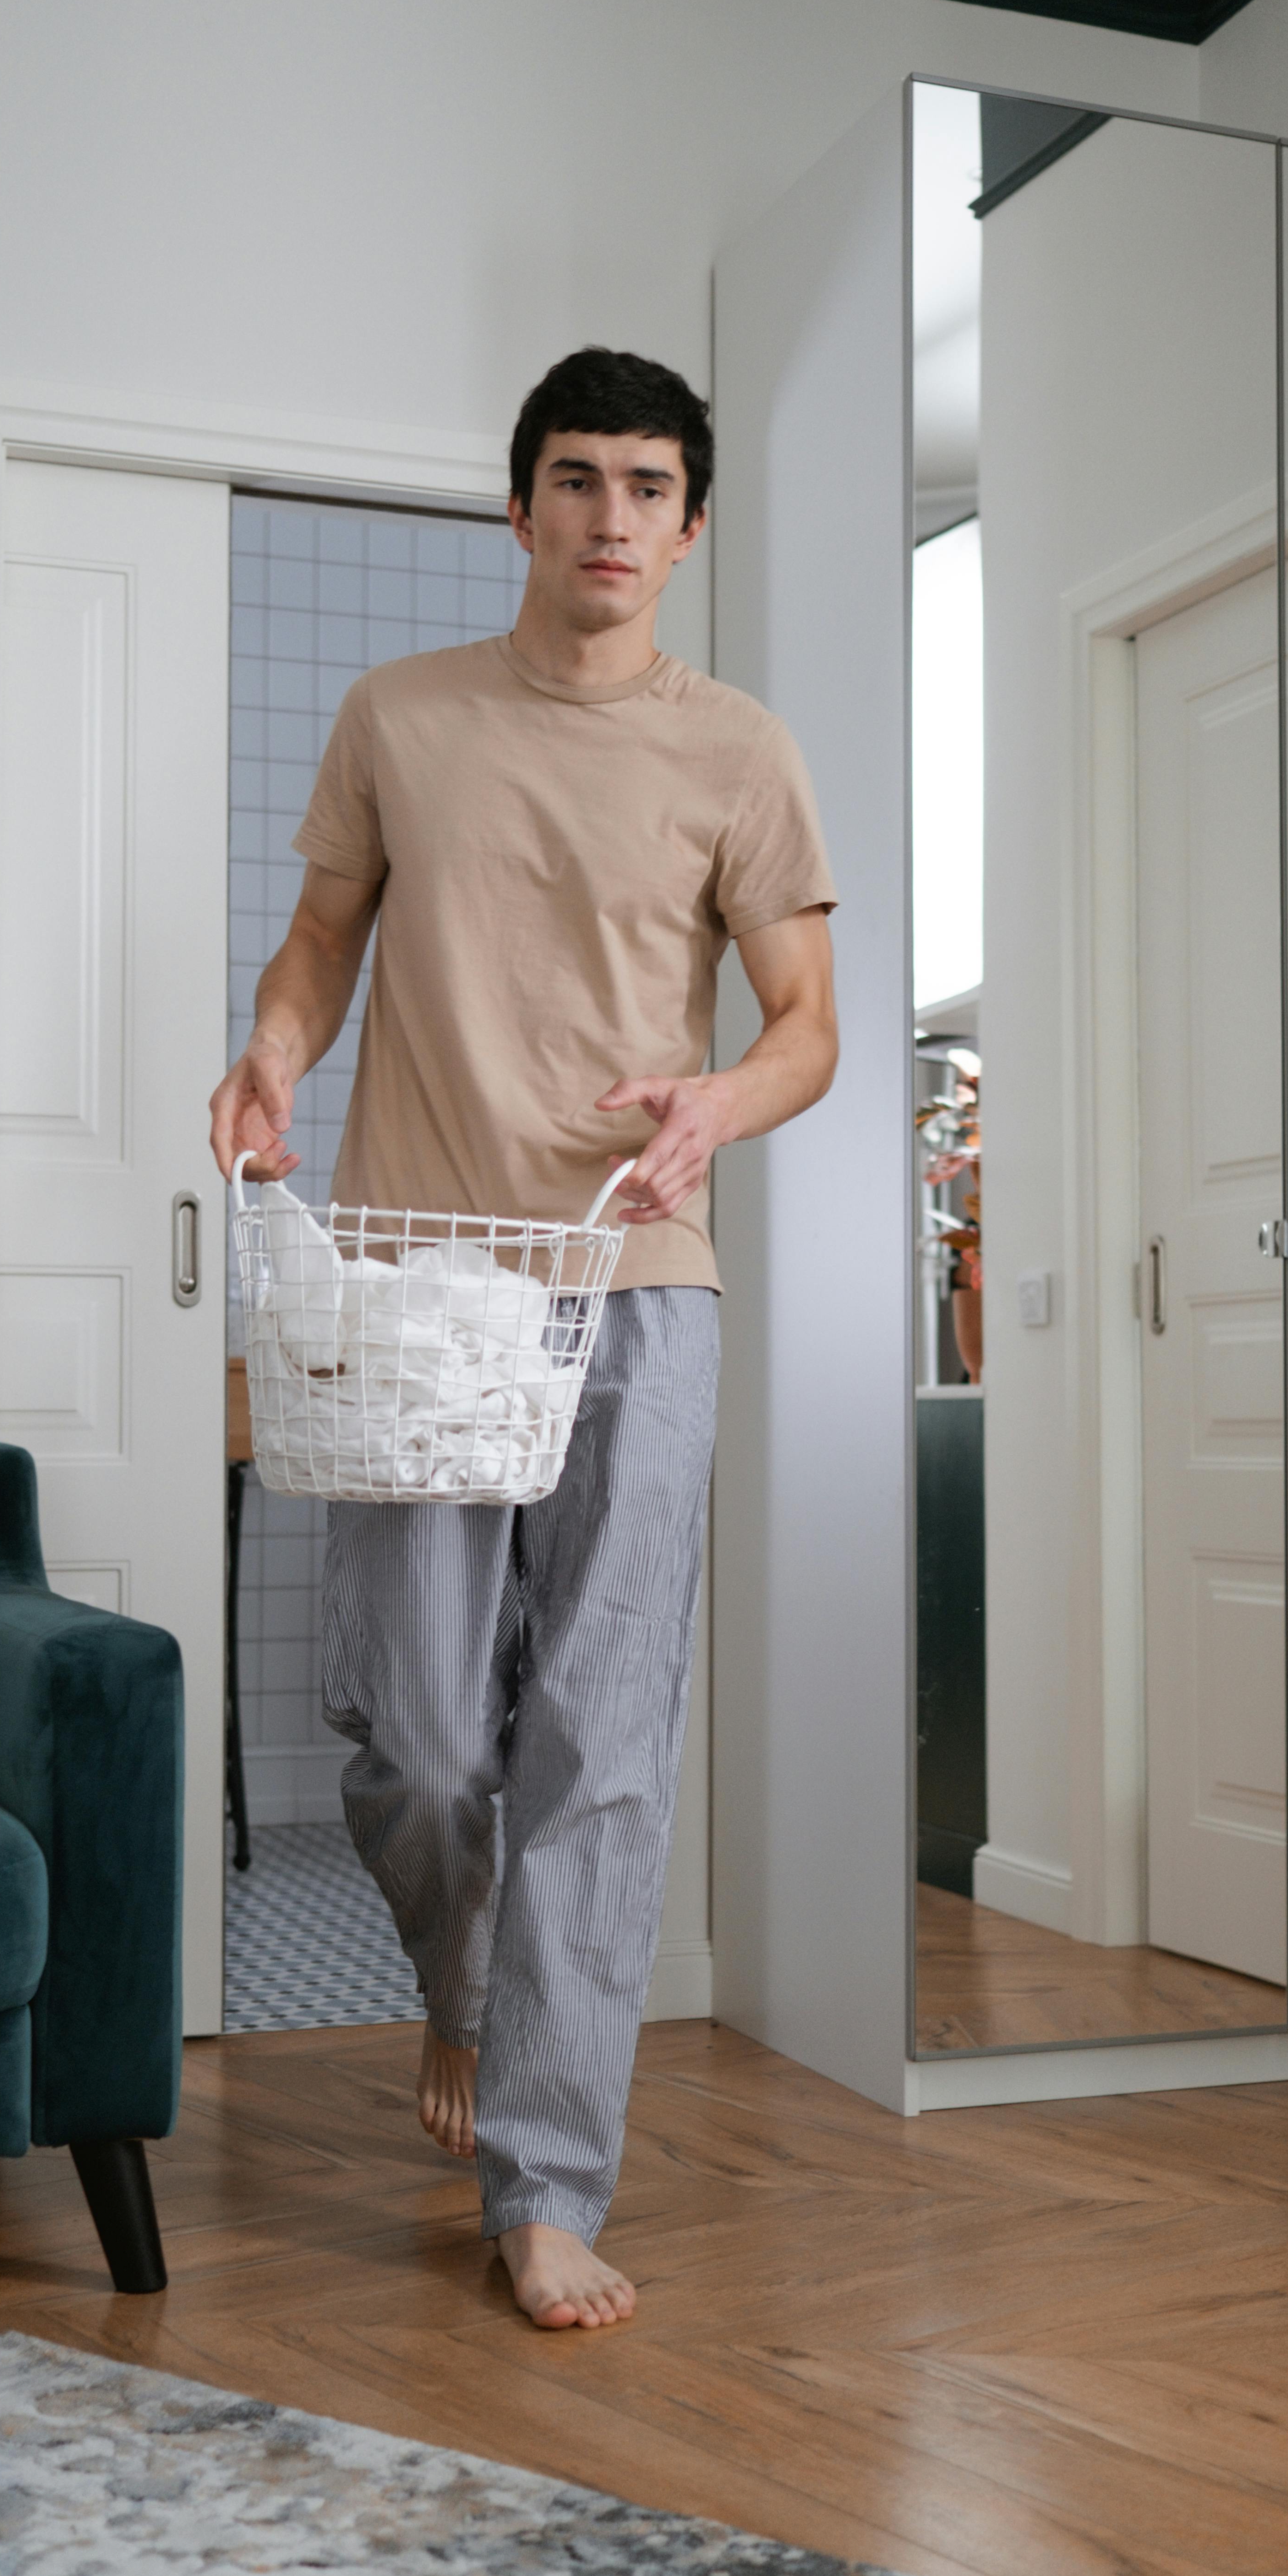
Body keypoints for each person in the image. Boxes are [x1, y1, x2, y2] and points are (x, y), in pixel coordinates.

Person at [209, 346, 838, 2330]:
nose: (609, 517)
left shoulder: (737, 747)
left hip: (640, 1293)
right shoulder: (403, 717)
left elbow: (805, 1022)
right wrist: (272, 1056)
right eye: (576, 479)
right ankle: (462, 1985)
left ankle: (547, 2181)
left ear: (689, 524)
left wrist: (715, 1109)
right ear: (520, 507)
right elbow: (321, 937)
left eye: (648, 487)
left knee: (600, 1744)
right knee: (405, 1733)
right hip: (420, 1292)